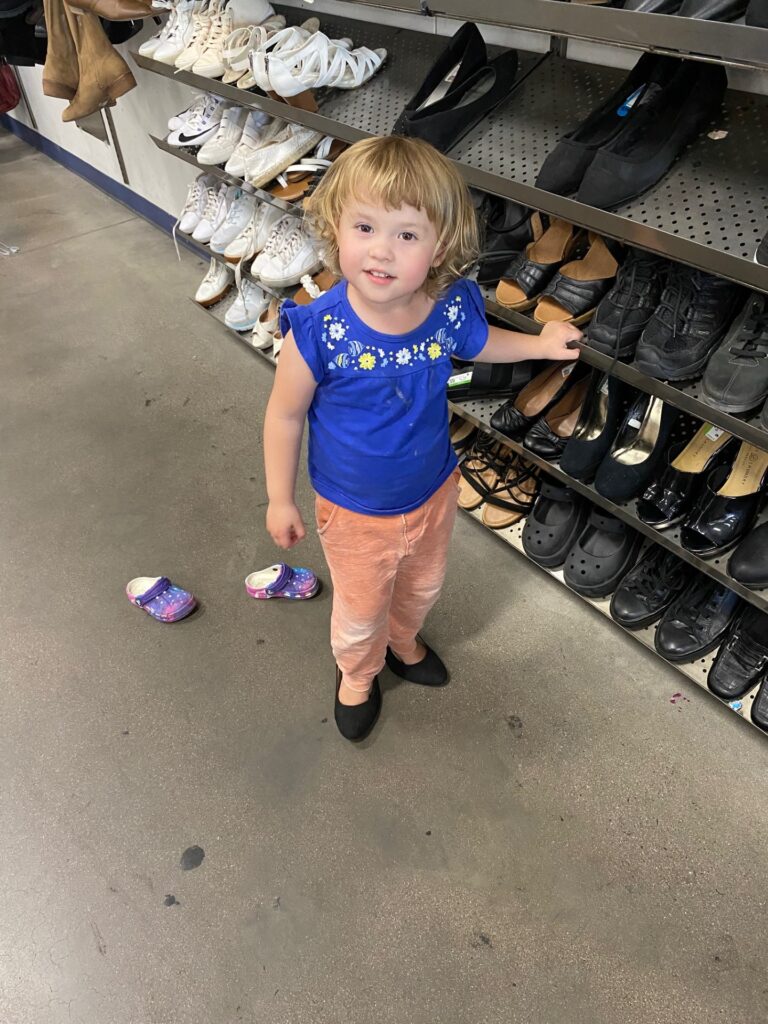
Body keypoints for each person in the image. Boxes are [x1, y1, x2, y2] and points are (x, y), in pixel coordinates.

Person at [263, 135, 581, 742]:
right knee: (359, 610)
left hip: (434, 489)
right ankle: (357, 673)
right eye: (365, 227)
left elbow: (481, 343)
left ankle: (405, 643)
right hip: (354, 510)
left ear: (440, 249)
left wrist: (539, 344)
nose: (382, 250)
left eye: (407, 235)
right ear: (335, 228)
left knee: (422, 585)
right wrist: (280, 498)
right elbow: (284, 416)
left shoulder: (448, 307)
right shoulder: (317, 331)